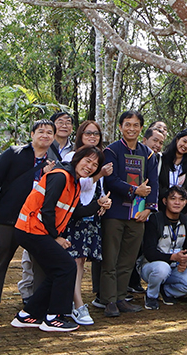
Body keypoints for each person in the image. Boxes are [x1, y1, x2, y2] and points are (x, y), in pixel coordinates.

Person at [10, 146, 111, 332]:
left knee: (59, 271)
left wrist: (98, 203)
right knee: (67, 266)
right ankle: (55, 316)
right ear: (77, 158)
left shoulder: (75, 183)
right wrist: (56, 237)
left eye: (95, 165)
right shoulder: (61, 176)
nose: (90, 166)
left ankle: (29, 315)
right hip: (31, 230)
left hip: (36, 231)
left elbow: (77, 212)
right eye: (87, 161)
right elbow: (47, 209)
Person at [100, 110, 159, 318]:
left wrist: (150, 208)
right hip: (115, 213)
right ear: (120, 127)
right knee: (111, 258)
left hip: (138, 215)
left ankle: (121, 297)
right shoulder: (112, 151)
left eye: (135, 125)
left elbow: (154, 182)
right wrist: (134, 190)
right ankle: (108, 301)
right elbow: (111, 180)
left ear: (141, 128)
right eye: (127, 124)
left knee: (128, 259)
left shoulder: (149, 154)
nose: (131, 129)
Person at [0, 120, 57, 315]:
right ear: (32, 134)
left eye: (49, 132)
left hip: (37, 222)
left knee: (41, 262)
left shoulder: (55, 162)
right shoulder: (14, 153)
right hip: (8, 218)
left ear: (54, 137)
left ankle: (38, 306)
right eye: (41, 131)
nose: (45, 135)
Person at [62, 121, 113, 326]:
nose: (93, 136)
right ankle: (77, 304)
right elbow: (80, 183)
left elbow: (95, 189)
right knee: (72, 261)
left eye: (97, 134)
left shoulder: (98, 159)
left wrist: (102, 203)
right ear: (80, 134)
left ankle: (73, 303)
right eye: (88, 133)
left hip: (91, 216)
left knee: (80, 261)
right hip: (73, 215)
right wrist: (100, 173)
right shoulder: (70, 157)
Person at [140, 185, 187, 310]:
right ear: (165, 201)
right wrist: (173, 257)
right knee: (162, 268)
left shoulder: (186, 222)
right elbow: (149, 252)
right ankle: (151, 295)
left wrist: (185, 261)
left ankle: (166, 290)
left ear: (185, 202)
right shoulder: (155, 220)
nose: (177, 202)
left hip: (175, 268)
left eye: (181, 199)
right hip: (152, 267)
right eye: (173, 199)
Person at [158, 129, 187, 207]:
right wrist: (168, 196)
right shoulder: (161, 159)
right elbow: (156, 182)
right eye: (184, 141)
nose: (186, 146)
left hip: (181, 207)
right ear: (177, 140)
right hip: (161, 204)